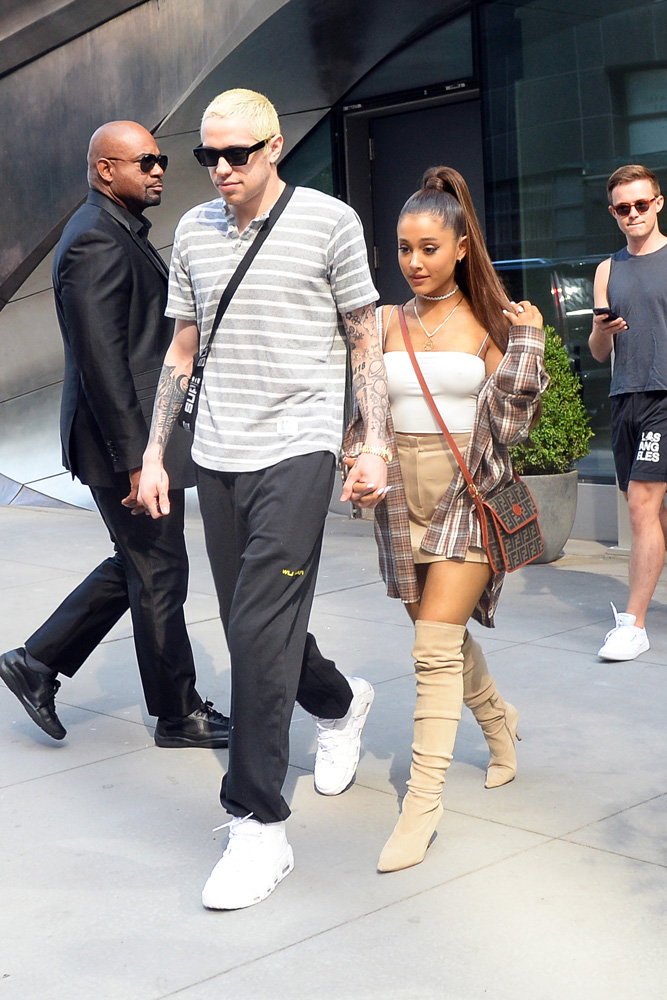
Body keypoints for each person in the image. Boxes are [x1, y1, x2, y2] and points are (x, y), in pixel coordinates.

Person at [138, 89, 388, 910]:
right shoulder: (193, 234)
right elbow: (181, 349)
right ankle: (341, 701)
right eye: (206, 156)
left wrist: (372, 440)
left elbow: (364, 335)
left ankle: (257, 823)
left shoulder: (328, 221)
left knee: (252, 628)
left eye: (235, 154)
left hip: (298, 446)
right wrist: (153, 454)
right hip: (218, 453)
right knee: (262, 622)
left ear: (274, 148)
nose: (218, 169)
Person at [0, 121, 228, 750]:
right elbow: (101, 361)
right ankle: (178, 715)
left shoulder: (114, 229)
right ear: (106, 170)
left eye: (159, 160)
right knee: (157, 569)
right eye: (145, 161)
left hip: (128, 439)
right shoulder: (94, 239)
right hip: (119, 443)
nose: (159, 170)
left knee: (145, 563)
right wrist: (139, 460)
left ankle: (36, 662)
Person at [344, 166, 546, 872]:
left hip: (468, 495)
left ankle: (420, 808)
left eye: (428, 247)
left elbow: (512, 429)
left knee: (432, 649)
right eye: (403, 248)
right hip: (402, 505)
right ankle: (498, 721)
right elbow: (365, 420)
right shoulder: (380, 324)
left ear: (460, 246)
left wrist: (526, 346)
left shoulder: (493, 322)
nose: (415, 262)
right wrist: (356, 466)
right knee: (443, 641)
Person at [589, 165, 667, 661]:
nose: (633, 214)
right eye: (623, 208)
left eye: (641, 204)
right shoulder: (607, 269)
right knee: (654, 511)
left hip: (665, 395)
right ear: (613, 212)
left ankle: (634, 624)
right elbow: (598, 351)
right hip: (625, 397)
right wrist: (606, 330)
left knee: (641, 504)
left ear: (658, 203)